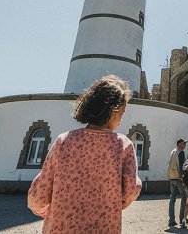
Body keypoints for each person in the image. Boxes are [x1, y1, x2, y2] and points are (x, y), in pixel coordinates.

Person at [28, 75, 141, 233]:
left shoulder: (64, 140)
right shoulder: (123, 145)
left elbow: (39, 193)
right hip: (103, 227)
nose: (121, 119)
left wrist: (40, 208)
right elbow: (130, 190)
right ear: (112, 110)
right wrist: (111, 205)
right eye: (121, 113)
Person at [168, 138, 188, 227]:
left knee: (172, 198)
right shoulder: (181, 152)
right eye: (184, 143)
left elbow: (169, 163)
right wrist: (184, 178)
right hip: (178, 177)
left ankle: (171, 220)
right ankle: (182, 218)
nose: (185, 145)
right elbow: (182, 167)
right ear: (180, 144)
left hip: (171, 177)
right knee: (184, 197)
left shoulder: (173, 151)